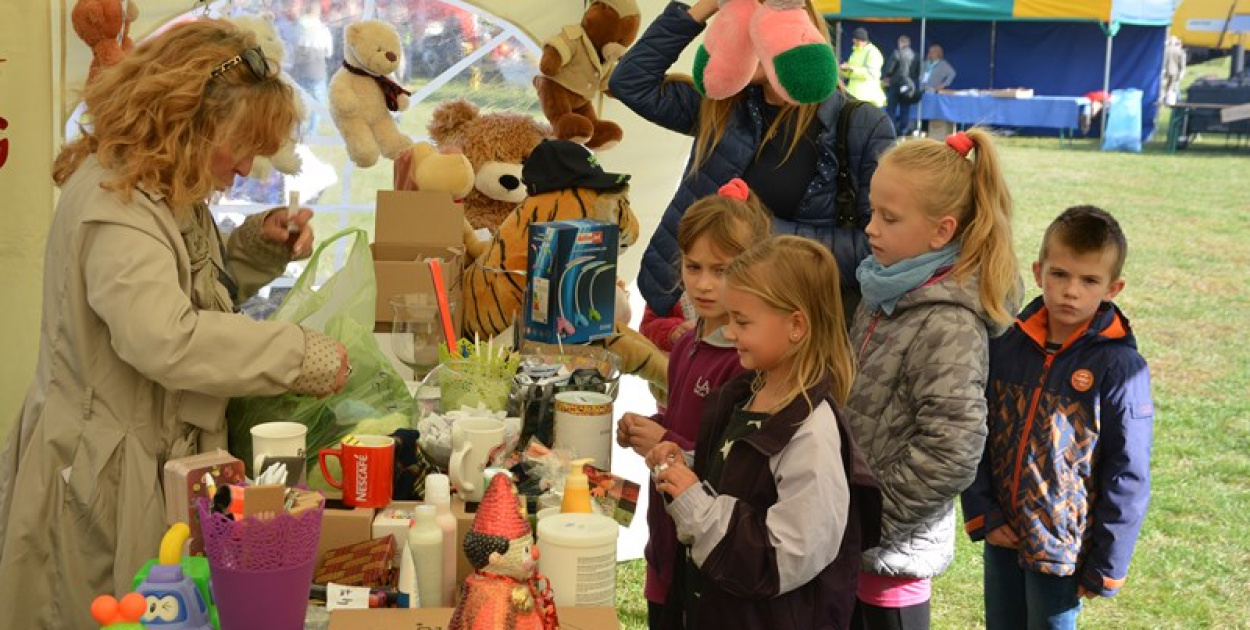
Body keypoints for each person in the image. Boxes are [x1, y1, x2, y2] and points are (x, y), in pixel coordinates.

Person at [0, 20, 350, 628]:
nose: (244, 166)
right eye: (240, 145)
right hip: (105, 474)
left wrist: (252, 250)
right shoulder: (117, 203)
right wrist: (296, 353)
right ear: (189, 120)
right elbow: (164, 337)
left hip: (151, 460)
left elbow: (193, 296)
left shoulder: (163, 189)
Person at [609, 0, 894, 324]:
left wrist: (763, 232)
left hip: (784, 321)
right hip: (694, 309)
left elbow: (881, 247)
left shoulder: (860, 125)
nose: (749, 41)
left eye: (761, 30)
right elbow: (630, 82)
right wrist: (704, 9)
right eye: (741, 28)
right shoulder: (723, 107)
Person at [648, 235, 880, 630]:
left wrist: (694, 504)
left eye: (742, 321)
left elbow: (784, 554)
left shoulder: (812, 432)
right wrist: (684, 466)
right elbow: (738, 477)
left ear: (796, 325)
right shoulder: (745, 395)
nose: (731, 333)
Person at [844, 129, 1022, 630]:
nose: (871, 228)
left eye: (889, 218)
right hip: (852, 551)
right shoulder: (887, 289)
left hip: (889, 567)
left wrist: (866, 522)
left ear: (942, 232)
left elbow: (952, 451)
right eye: (873, 212)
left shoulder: (948, 321)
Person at [962, 205, 1154, 630]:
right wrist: (982, 510)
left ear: (1113, 287)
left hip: (1065, 551)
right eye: (1060, 274)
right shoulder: (1007, 344)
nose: (1071, 291)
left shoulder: (1119, 366)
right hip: (1003, 534)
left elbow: (1130, 471)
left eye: (1089, 281)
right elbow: (976, 430)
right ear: (1038, 271)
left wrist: (1107, 560)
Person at [616, 178, 772, 630]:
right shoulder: (687, 344)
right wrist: (648, 426)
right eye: (693, 266)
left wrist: (665, 439)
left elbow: (734, 464)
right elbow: (683, 418)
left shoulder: (747, 363)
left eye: (722, 270)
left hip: (709, 555)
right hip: (664, 544)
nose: (703, 285)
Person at [840, 27, 887, 107]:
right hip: (853, 94)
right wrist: (844, 70)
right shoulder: (856, 51)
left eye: (855, 40)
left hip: (867, 97)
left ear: (860, 40)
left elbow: (871, 74)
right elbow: (852, 74)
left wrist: (851, 68)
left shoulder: (873, 52)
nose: (853, 42)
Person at [883, 35, 919, 135]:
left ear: (900, 43)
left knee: (891, 109)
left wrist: (888, 76)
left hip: (895, 83)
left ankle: (891, 130)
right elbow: (917, 72)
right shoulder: (915, 55)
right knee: (905, 108)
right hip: (908, 85)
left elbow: (889, 69)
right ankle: (903, 130)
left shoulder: (896, 53)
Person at [1160, 35, 1186, 106]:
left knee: (1163, 86)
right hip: (1175, 71)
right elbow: (1182, 64)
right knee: (1171, 86)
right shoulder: (1180, 51)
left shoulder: (1165, 50)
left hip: (1164, 70)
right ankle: (1169, 101)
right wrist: (1182, 72)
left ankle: (1161, 99)